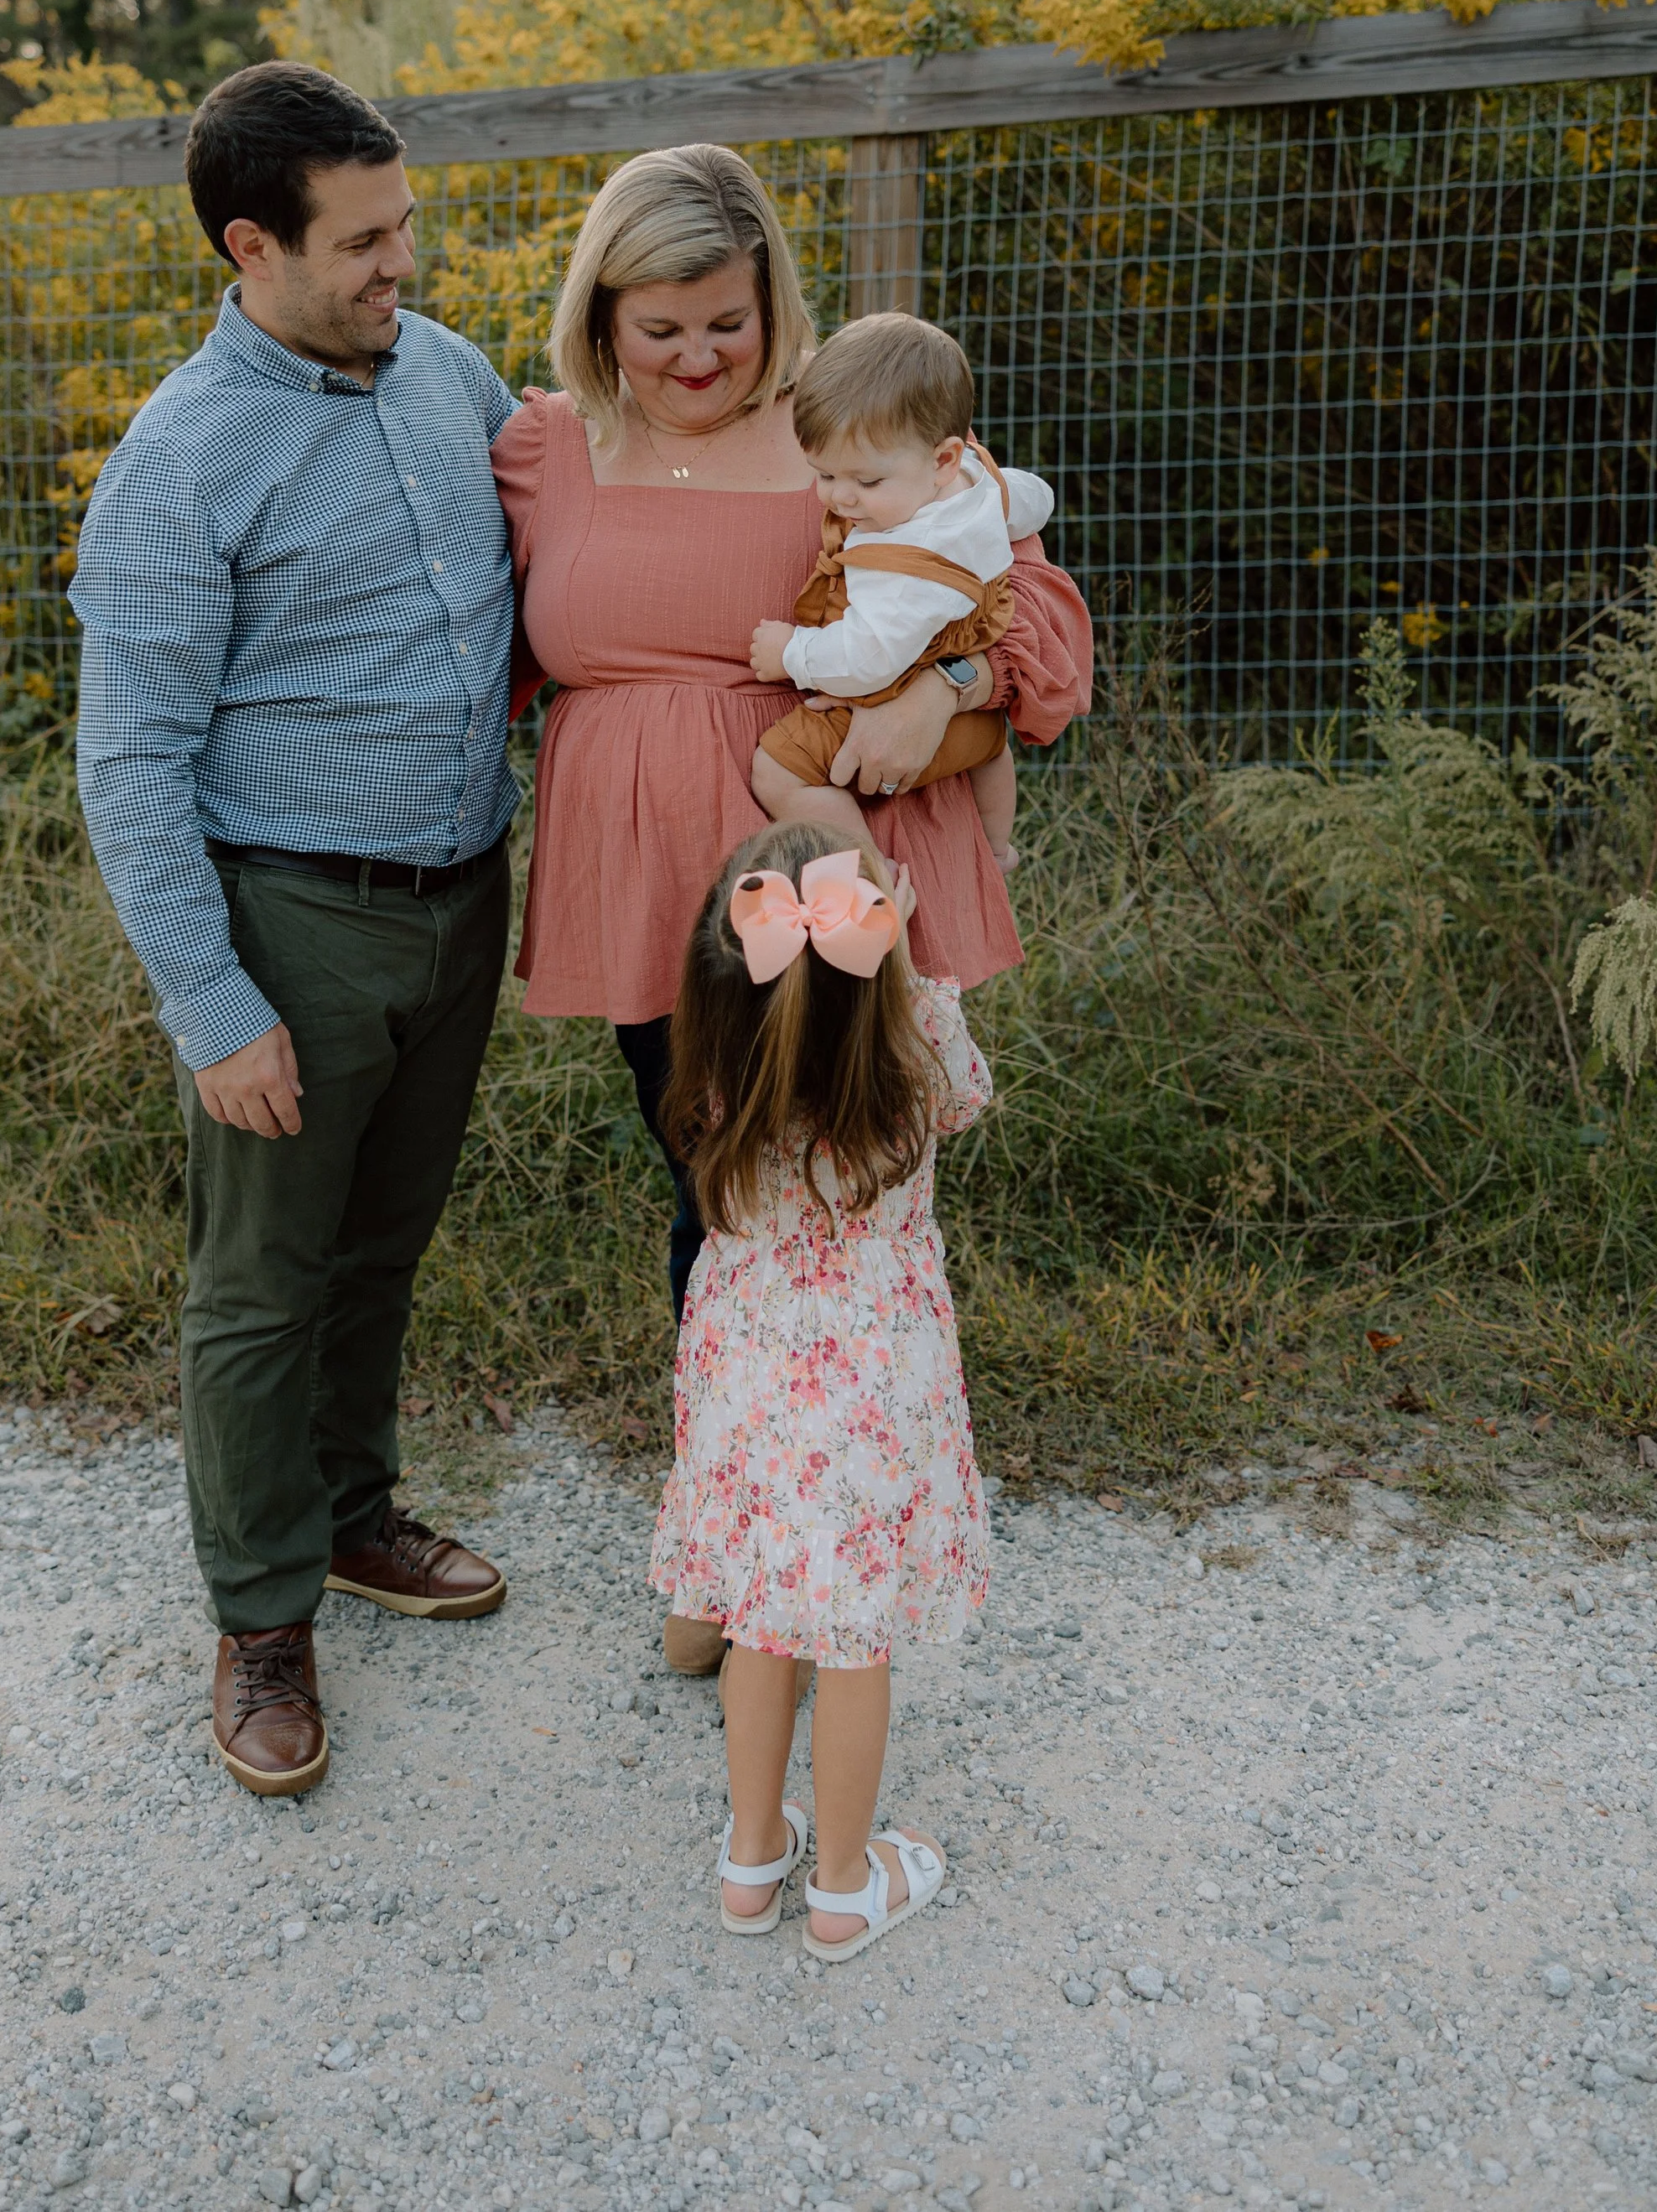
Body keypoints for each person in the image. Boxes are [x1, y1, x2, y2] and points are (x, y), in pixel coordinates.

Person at [490, 142, 1088, 1680]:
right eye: (659, 325)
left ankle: (794, 1546)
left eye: (726, 323)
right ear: (601, 313)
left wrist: (953, 684)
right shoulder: (546, 445)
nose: (697, 358)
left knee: (816, 1204)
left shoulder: (851, 425)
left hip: (819, 866)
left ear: (773, 304)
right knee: (710, 1192)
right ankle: (735, 1530)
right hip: (645, 893)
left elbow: (1033, 610)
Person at [71, 61, 513, 1802]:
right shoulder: (181, 464)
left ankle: (348, 1518)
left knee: (381, 1247)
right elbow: (127, 762)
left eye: (406, 224)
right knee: (259, 1290)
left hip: (463, 897)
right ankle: (259, 1615)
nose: (402, 261)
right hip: (290, 924)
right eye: (365, 241)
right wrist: (211, 1001)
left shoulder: (449, 377)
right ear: (250, 246)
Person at [649, 819, 989, 1960]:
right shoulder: (922, 1032)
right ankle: (841, 1882)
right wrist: (903, 956)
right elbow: (956, 1090)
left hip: (749, 1371)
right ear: (877, 951)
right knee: (853, 1634)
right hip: (874, 1380)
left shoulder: (713, 1060)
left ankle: (754, 1856)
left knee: (763, 1610)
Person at [748, 309, 1055, 873]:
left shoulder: (902, 566)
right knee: (992, 748)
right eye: (825, 474)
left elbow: (867, 660)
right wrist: (1003, 498)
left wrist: (792, 651)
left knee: (777, 771)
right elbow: (1033, 498)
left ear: (942, 458)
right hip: (977, 712)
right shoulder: (974, 482)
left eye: (865, 481)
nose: (841, 498)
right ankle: (995, 848)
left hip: (895, 690)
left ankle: (868, 869)